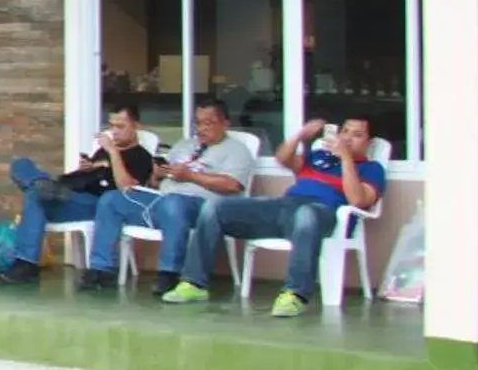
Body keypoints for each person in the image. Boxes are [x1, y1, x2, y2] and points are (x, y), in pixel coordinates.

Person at [164, 116, 386, 317]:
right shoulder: (318, 157)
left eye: (357, 135)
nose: (347, 138)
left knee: (306, 215)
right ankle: (194, 283)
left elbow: (358, 200)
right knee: (215, 207)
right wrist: (300, 135)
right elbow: (283, 159)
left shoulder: (372, 169)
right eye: (344, 131)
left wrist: (346, 159)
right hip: (285, 206)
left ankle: (294, 294)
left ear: (370, 143)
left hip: (324, 214)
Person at [76, 100, 257, 291]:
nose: (201, 128)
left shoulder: (237, 150)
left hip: (204, 208)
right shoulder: (184, 145)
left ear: (225, 124)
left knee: (173, 203)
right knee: (112, 199)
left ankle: (169, 273)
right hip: (162, 201)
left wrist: (191, 176)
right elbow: (156, 184)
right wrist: (157, 174)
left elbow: (232, 185)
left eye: (208, 123)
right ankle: (100, 269)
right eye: (197, 123)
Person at [0, 107, 157, 285]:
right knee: (22, 166)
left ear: (136, 126)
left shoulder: (141, 156)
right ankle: (40, 183)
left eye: (121, 126)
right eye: (111, 126)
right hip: (72, 194)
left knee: (35, 196)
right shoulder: (101, 153)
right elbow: (86, 178)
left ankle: (26, 264)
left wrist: (113, 152)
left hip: (98, 204)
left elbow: (127, 188)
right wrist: (83, 171)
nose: (114, 132)